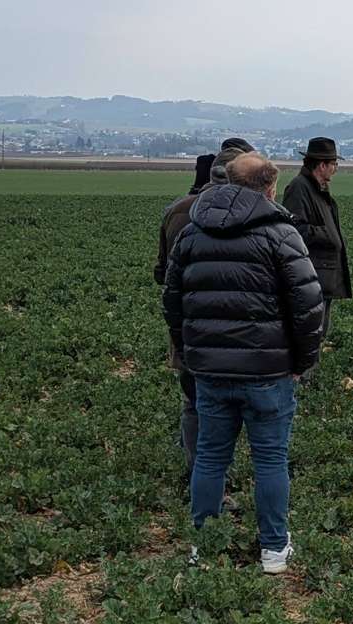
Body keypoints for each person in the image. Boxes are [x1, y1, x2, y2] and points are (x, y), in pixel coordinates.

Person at [163, 152, 324, 574]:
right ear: (271, 187)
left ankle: (204, 548)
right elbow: (308, 307)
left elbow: (173, 302)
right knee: (270, 459)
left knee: (211, 458)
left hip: (210, 373)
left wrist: (190, 354)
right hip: (269, 373)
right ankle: (273, 550)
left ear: (228, 181)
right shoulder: (280, 233)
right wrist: (302, 361)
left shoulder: (193, 232)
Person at [154, 146, 247, 479]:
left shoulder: (176, 211)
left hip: (186, 324)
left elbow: (162, 274)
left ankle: (194, 467)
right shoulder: (241, 216)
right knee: (220, 405)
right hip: (227, 328)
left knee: (192, 397)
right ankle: (210, 476)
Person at [281, 137, 353, 351]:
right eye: (334, 164)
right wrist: (327, 234)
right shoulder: (299, 188)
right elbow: (294, 230)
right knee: (309, 333)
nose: (335, 169)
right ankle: (304, 379)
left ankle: (310, 376)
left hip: (323, 273)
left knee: (319, 331)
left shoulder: (317, 188)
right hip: (311, 274)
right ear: (322, 165)